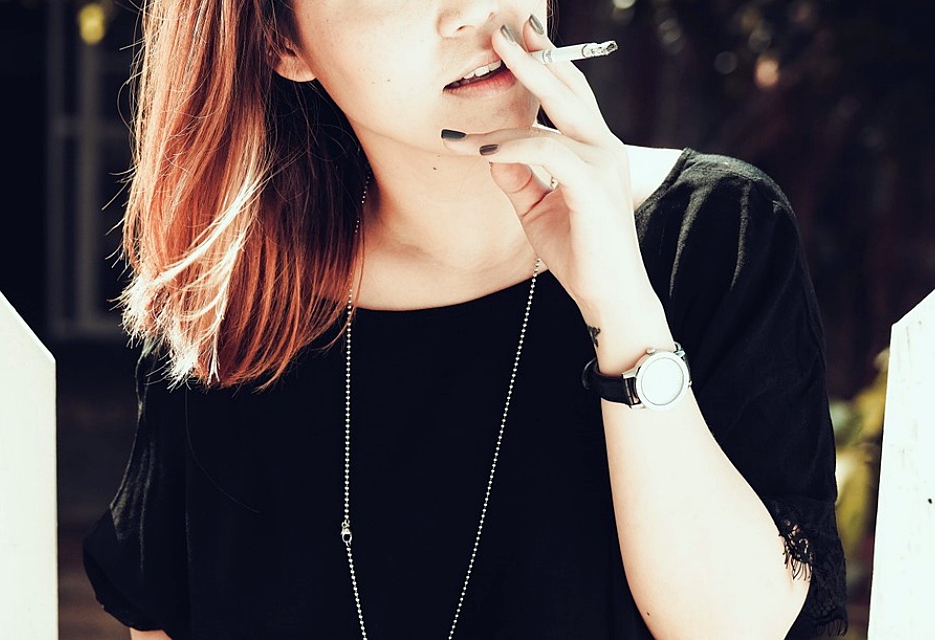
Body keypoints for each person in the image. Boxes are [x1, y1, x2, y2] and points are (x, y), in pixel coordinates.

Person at [82, 0, 848, 638]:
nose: (471, 12)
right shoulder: (233, 310)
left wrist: (620, 300)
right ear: (282, 43)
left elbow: (739, 627)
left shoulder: (715, 230)